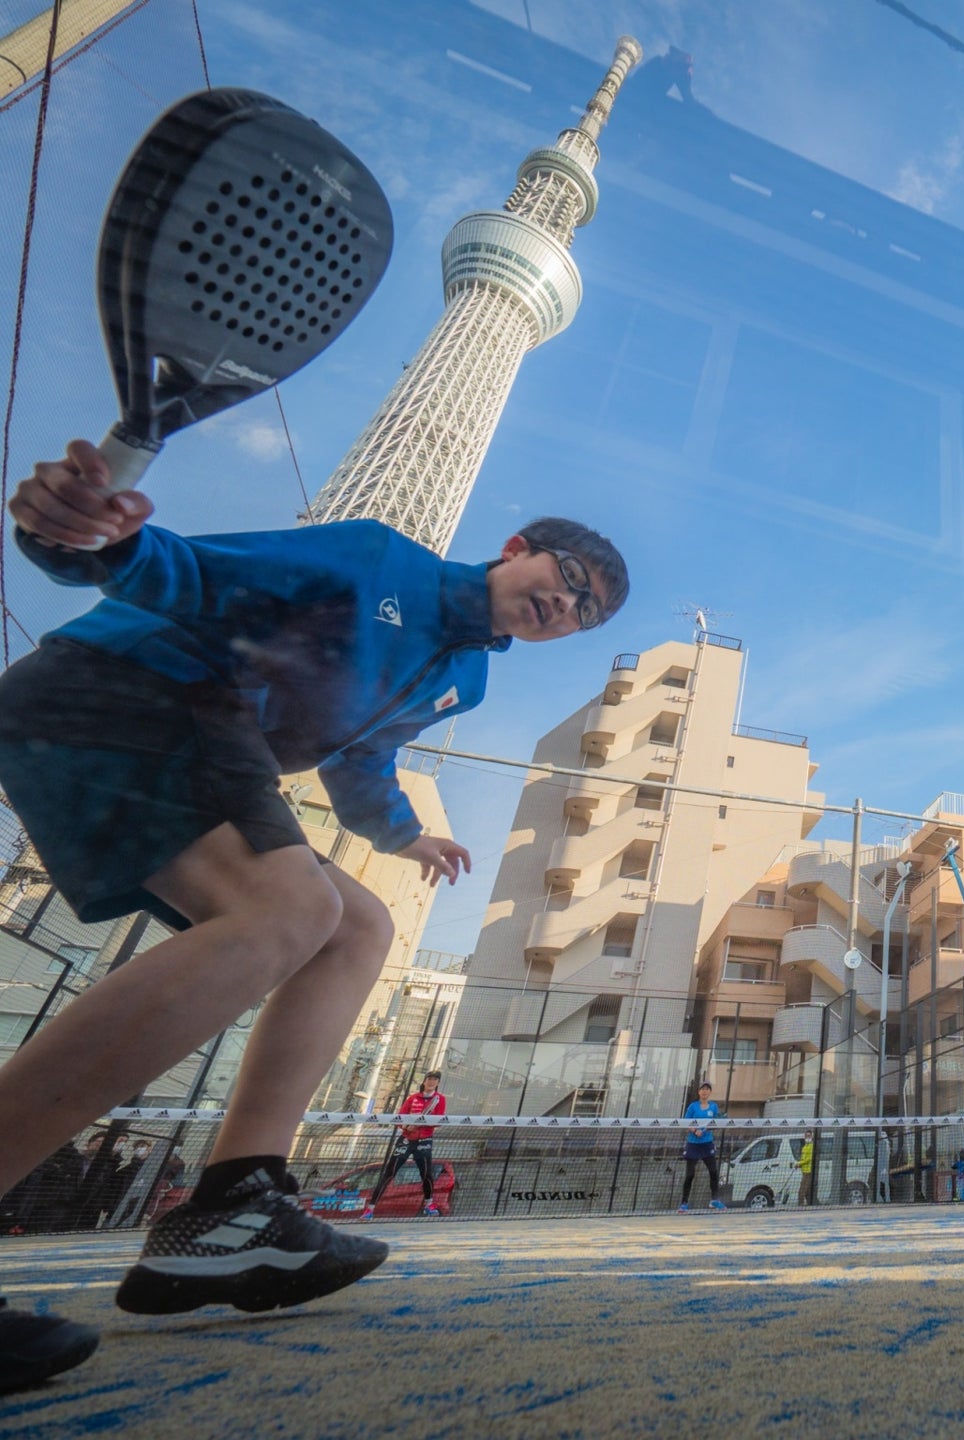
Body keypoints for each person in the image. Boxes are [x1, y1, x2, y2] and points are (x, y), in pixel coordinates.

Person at [0, 438, 628, 1391]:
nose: (566, 606)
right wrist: (87, 543)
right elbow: (197, 575)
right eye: (569, 577)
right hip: (131, 692)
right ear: (518, 548)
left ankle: (231, 1207)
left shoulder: (468, 675)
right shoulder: (383, 562)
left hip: (210, 746)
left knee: (353, 926)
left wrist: (405, 834)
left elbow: (360, 761)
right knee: (288, 911)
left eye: (584, 613)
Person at [361, 1070, 448, 1219]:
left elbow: (438, 1121)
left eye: (435, 1080)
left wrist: (419, 1125)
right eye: (429, 1079)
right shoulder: (413, 1098)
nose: (431, 1082)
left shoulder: (440, 1099)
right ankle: (370, 1209)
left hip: (425, 1141)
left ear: (438, 1083)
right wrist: (406, 1127)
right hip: (406, 1139)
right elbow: (400, 1117)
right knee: (389, 1172)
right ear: (424, 1081)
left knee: (426, 1173)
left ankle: (428, 1204)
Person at [678, 1081, 724, 1212]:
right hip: (693, 1144)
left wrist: (706, 1130)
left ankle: (714, 1200)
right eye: (702, 1089)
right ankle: (684, 1203)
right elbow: (685, 1122)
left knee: (714, 1172)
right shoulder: (693, 1107)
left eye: (707, 1089)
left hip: (707, 1143)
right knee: (690, 1175)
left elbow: (715, 1123)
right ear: (699, 1092)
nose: (704, 1091)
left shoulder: (714, 1107)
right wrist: (694, 1130)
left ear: (710, 1092)